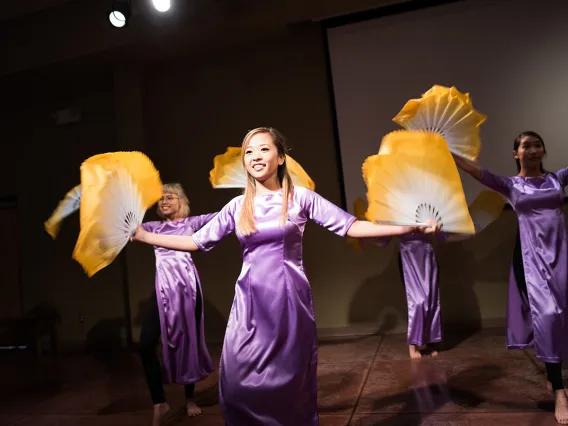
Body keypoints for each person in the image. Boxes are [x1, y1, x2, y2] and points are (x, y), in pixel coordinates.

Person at [131, 127, 438, 425]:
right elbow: (195, 243)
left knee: (289, 384)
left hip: (288, 299)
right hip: (249, 302)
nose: (255, 156)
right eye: (249, 151)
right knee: (236, 383)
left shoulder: (300, 198)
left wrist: (409, 227)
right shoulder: (238, 206)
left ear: (280, 157)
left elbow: (352, 226)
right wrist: (145, 236)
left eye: (264, 148)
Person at [453, 131, 568, 424]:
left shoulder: (557, 179)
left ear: (544, 150)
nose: (532, 150)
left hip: (562, 257)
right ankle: (559, 391)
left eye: (537, 145)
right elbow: (476, 171)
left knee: (562, 316)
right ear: (515, 153)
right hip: (530, 260)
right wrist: (449, 153)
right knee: (548, 316)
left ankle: (554, 368)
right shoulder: (511, 185)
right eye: (525, 146)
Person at [138, 183, 217, 426]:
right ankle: (159, 402)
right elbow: (128, 229)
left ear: (181, 201)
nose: (163, 201)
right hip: (163, 293)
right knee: (145, 345)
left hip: (187, 292)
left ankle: (190, 398)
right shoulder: (153, 228)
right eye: (160, 199)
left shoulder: (191, 223)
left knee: (188, 342)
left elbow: (222, 216)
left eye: (169, 197)